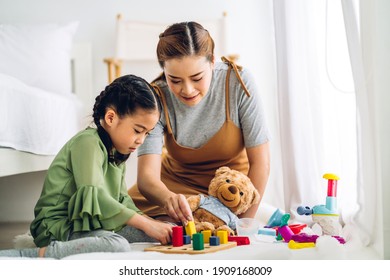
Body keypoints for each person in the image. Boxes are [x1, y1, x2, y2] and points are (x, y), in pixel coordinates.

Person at [0, 74, 172, 259]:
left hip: (90, 223)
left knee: (153, 231)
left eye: (147, 133)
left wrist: (151, 223)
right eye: (138, 130)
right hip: (58, 226)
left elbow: (122, 201)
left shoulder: (117, 152)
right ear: (111, 117)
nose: (141, 140)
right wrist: (147, 224)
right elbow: (96, 196)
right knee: (117, 244)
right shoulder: (87, 143)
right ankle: (27, 255)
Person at [128, 21, 270, 226]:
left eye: (197, 78)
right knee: (124, 216)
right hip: (174, 188)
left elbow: (261, 163)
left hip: (228, 190)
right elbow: (147, 179)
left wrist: (241, 223)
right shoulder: (157, 96)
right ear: (163, 70)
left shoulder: (238, 82)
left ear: (212, 61)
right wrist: (170, 201)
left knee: (208, 225)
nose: (187, 90)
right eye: (174, 80)